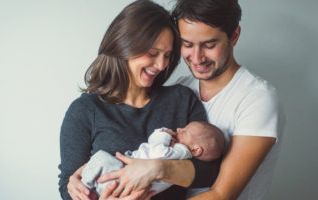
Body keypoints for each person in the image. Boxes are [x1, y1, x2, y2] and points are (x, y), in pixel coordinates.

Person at [96, 0, 285, 199]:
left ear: (234, 36)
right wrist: (82, 173)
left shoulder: (257, 98)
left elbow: (221, 194)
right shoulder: (182, 89)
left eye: (209, 45)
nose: (197, 58)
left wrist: (157, 169)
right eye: (187, 44)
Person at [58, 1, 221, 200]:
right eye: (152, 54)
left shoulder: (182, 100)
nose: (161, 65)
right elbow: (68, 183)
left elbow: (209, 171)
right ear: (123, 45)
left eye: (167, 56)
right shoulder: (85, 110)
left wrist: (156, 168)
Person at [81, 121, 225, 197]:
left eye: (185, 131)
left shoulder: (182, 152)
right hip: (124, 183)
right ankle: (88, 189)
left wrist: (163, 133)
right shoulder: (179, 153)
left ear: (195, 150)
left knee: (101, 158)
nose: (179, 129)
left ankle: (85, 187)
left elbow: (157, 152)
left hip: (122, 178)